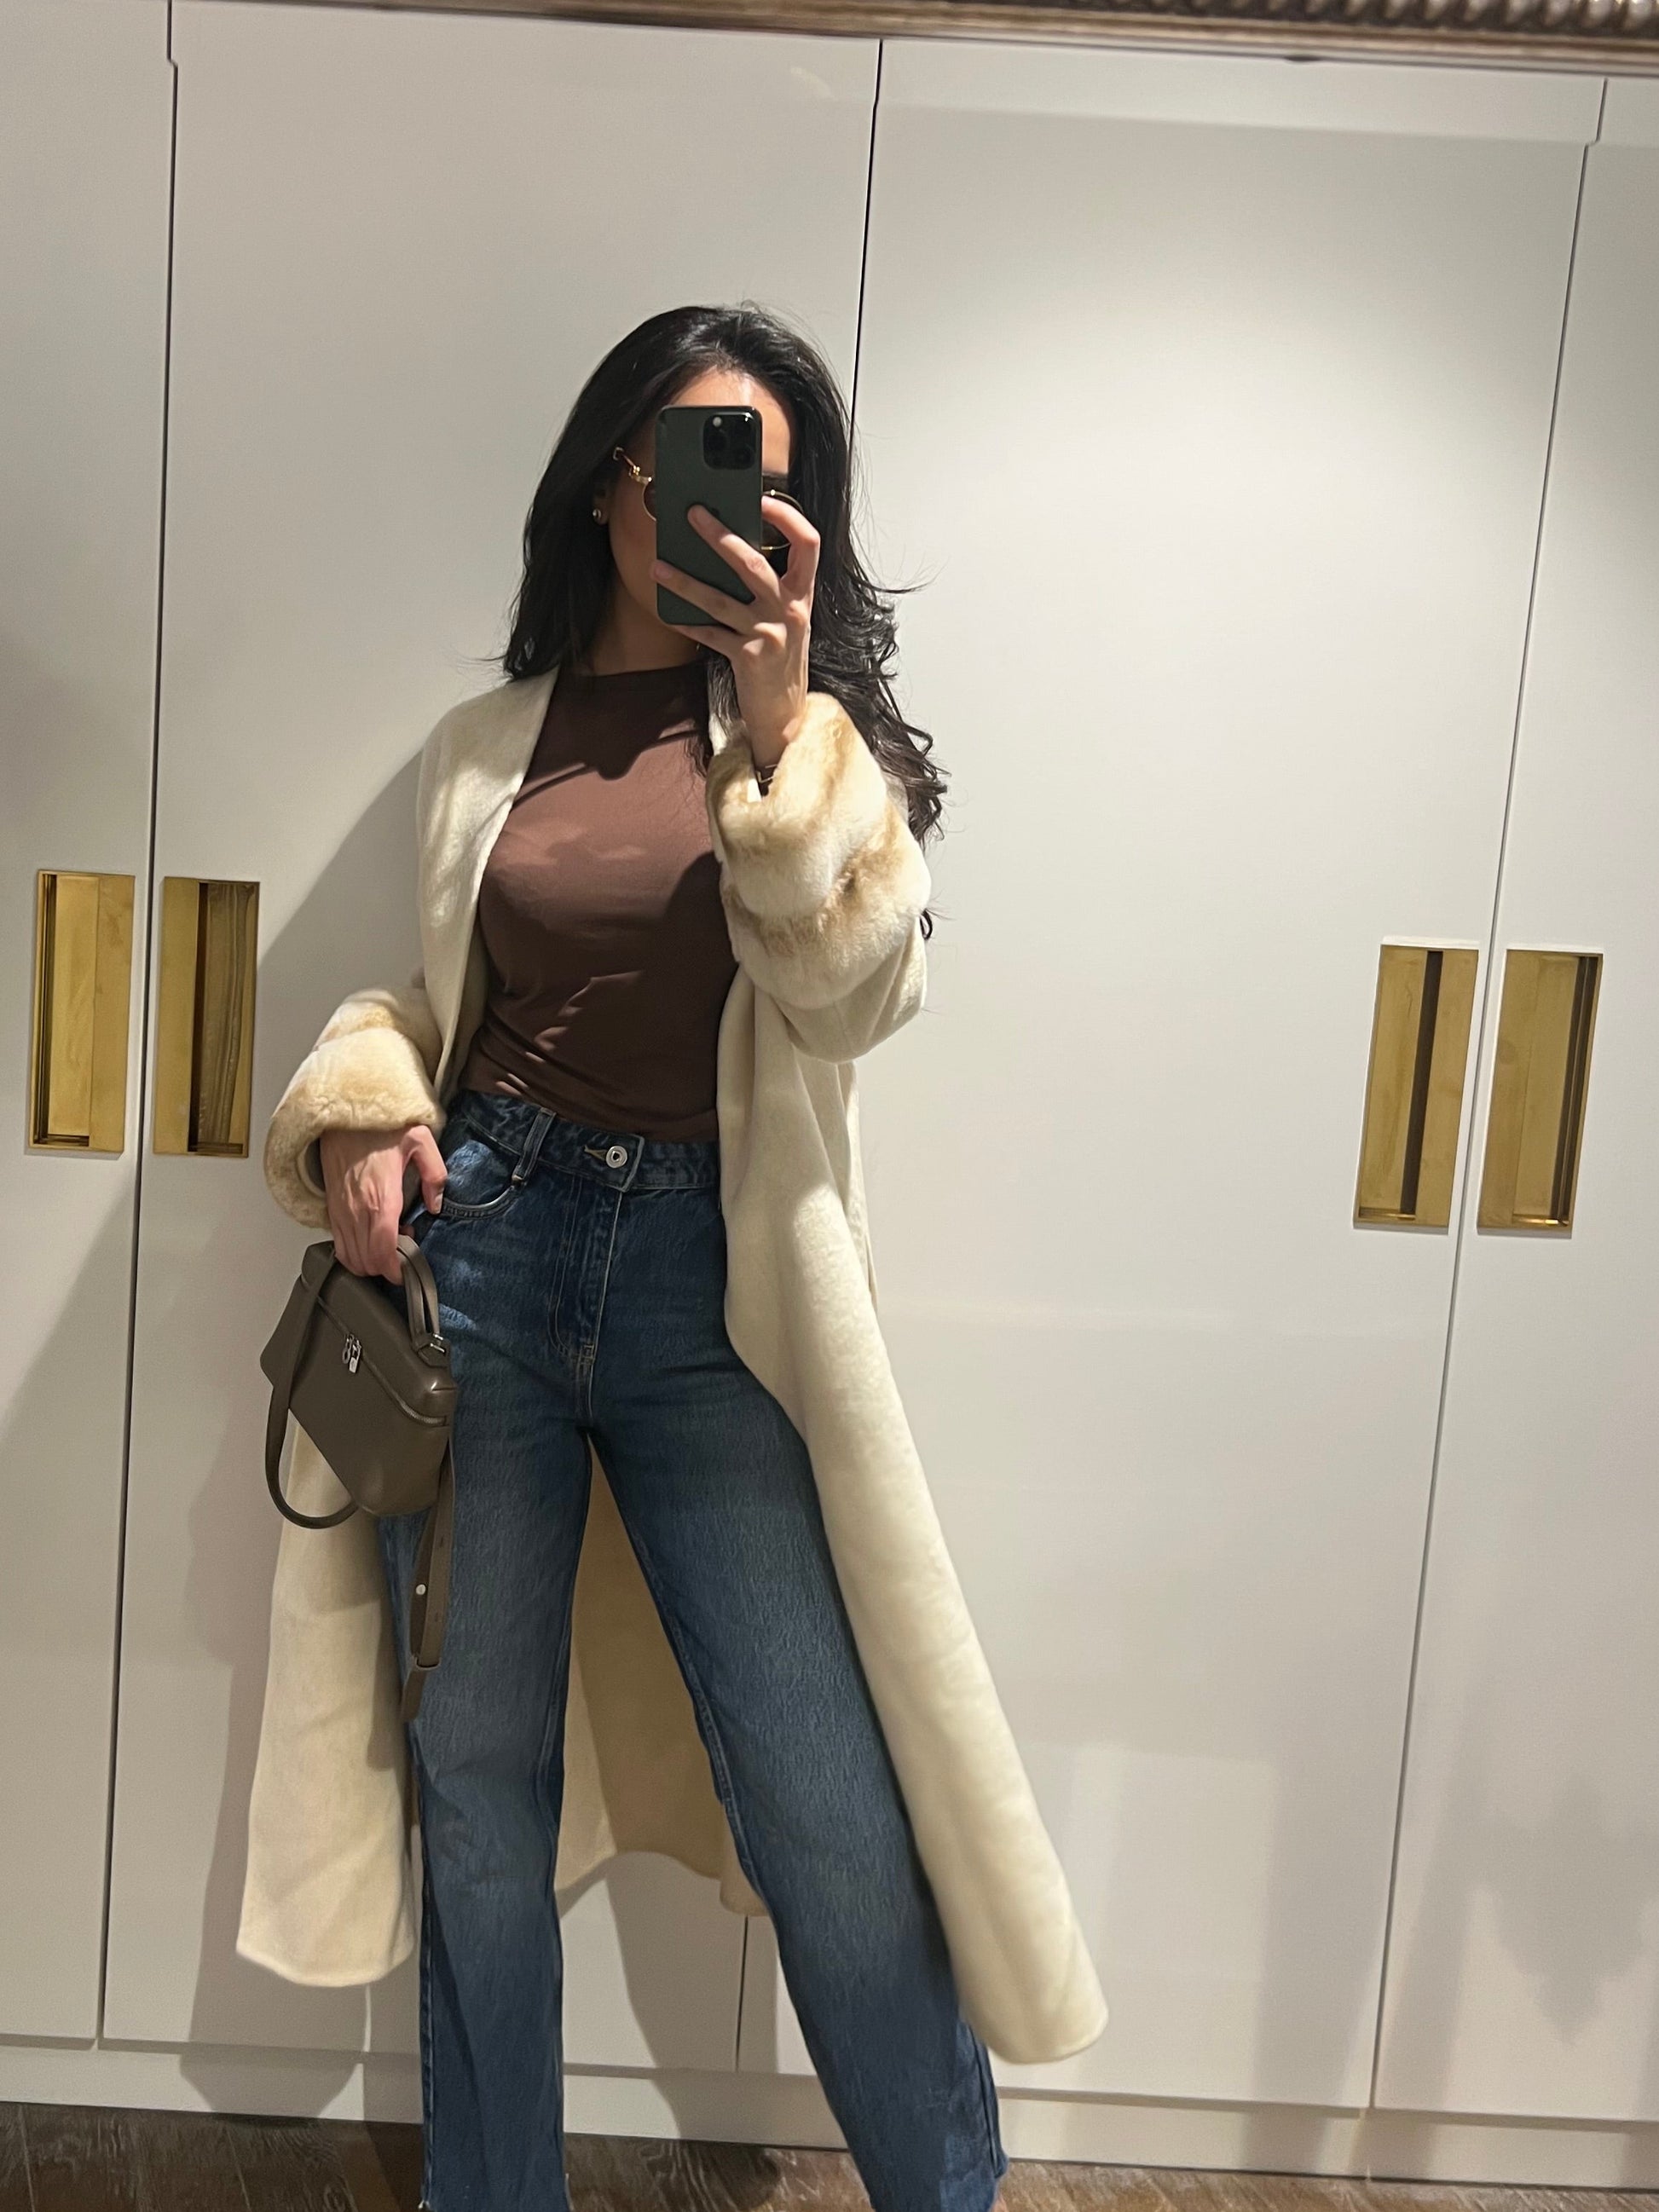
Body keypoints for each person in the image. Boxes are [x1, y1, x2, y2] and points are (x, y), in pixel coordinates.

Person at [254, 302, 1106, 2212]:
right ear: (607, 484)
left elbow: (857, 998)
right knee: (477, 1784)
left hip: (706, 1289)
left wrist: (784, 730)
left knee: (825, 1800)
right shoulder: (481, 748)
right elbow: (437, 1005)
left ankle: (948, 2192)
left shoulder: (816, 753)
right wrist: (367, 1113)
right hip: (484, 1253)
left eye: (766, 481)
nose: (723, 511)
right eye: (690, 464)